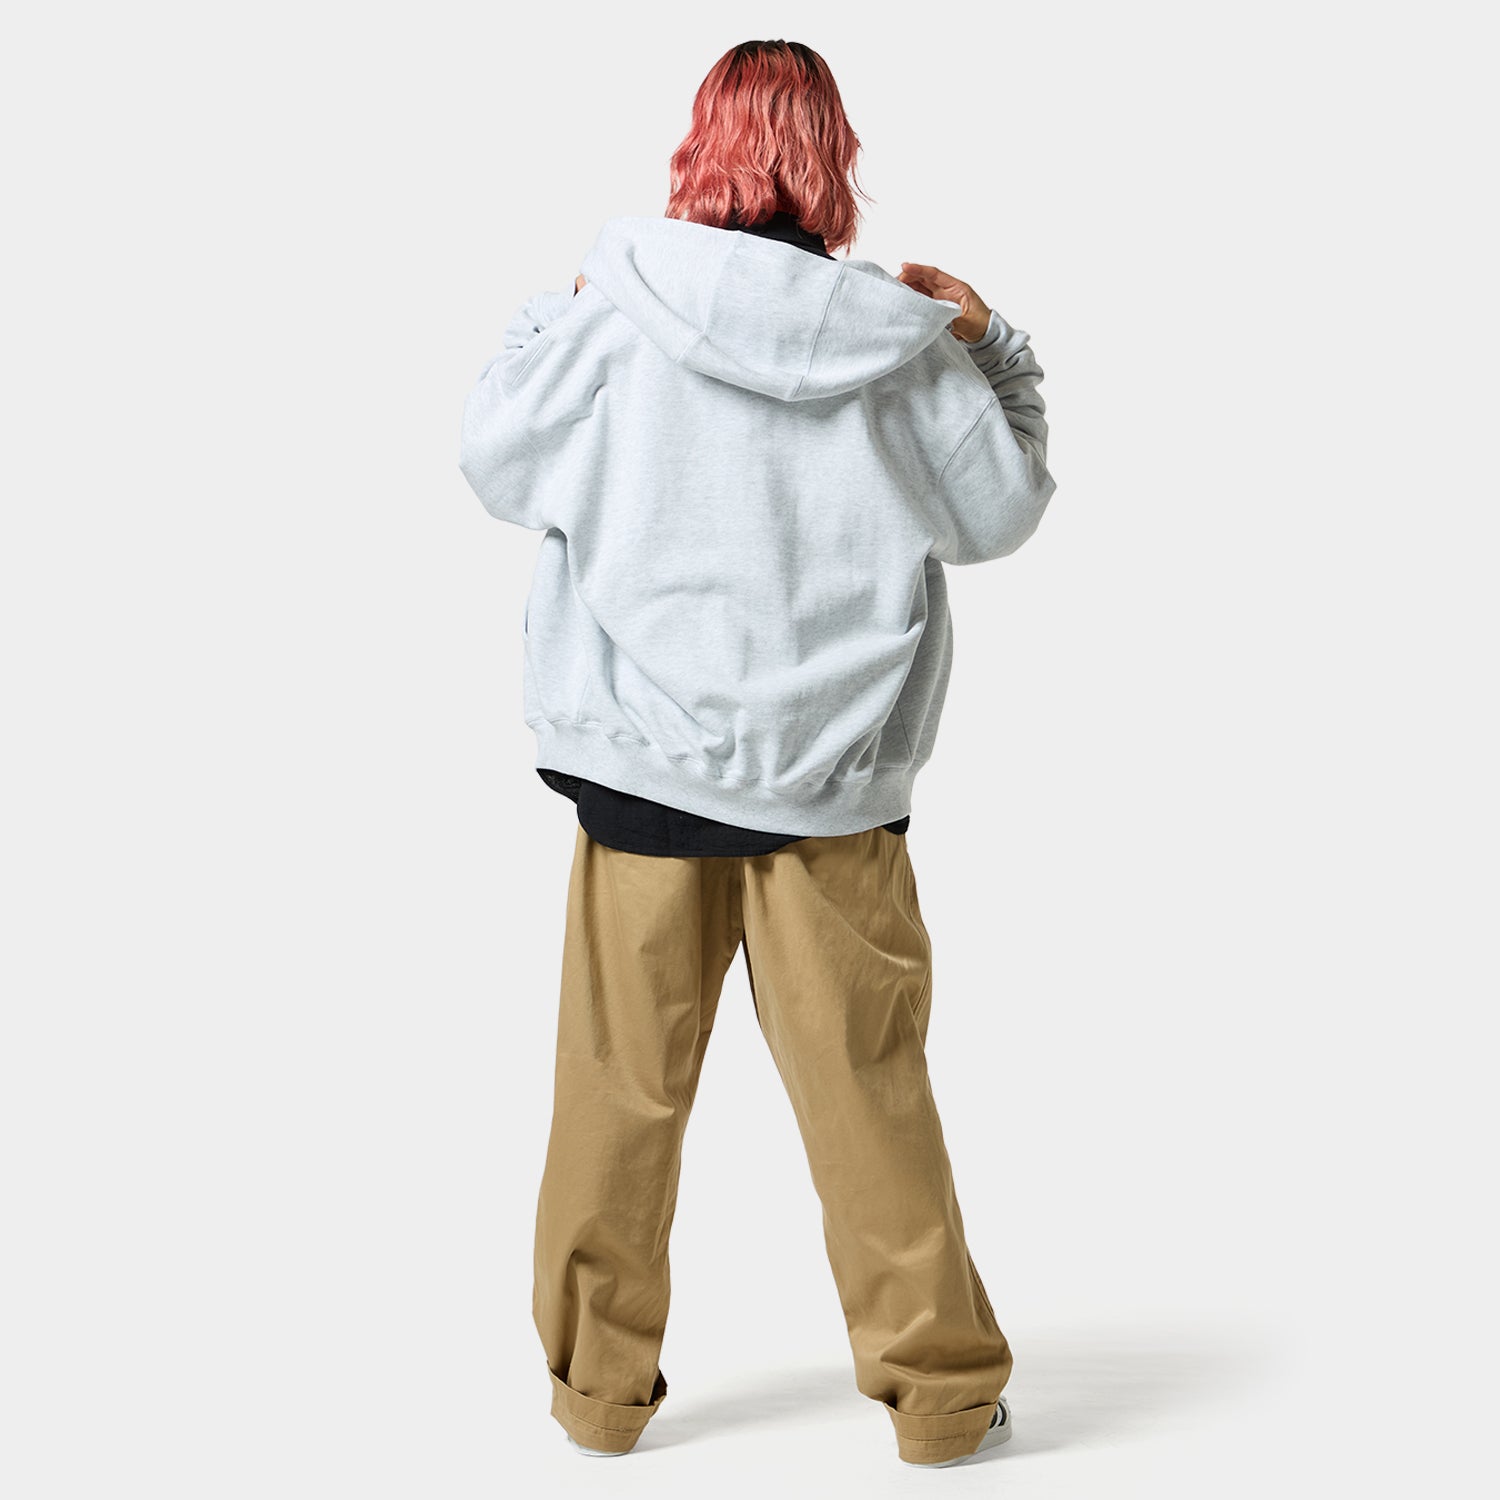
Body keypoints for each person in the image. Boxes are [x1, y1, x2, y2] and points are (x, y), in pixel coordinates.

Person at [458, 37, 1056, 1470]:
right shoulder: (900, 347)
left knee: (616, 1099)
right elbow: (1004, 511)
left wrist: (558, 309)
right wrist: (993, 346)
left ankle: (599, 1402)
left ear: (699, 147)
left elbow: (494, 458)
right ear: (834, 158)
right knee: (871, 1100)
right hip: (832, 792)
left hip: (639, 775)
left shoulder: (620, 315)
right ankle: (942, 1406)